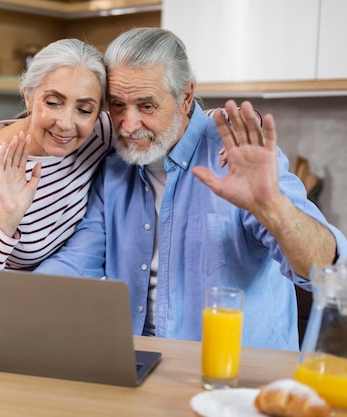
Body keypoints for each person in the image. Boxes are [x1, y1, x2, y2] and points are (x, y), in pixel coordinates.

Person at [33, 27, 347, 351]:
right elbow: (75, 263)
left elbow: (327, 271)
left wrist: (272, 207)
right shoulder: (115, 168)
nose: (128, 125)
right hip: (139, 370)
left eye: (146, 106)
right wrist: (14, 299)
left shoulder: (236, 155)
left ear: (185, 97)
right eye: (117, 106)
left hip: (241, 383)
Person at [0, 36, 231, 340]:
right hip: (1, 313)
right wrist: (9, 217)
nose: (66, 124)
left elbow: (172, 119)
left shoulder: (99, 133)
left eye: (84, 109)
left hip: (55, 316)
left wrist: (222, 132)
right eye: (53, 102)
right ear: (28, 96)